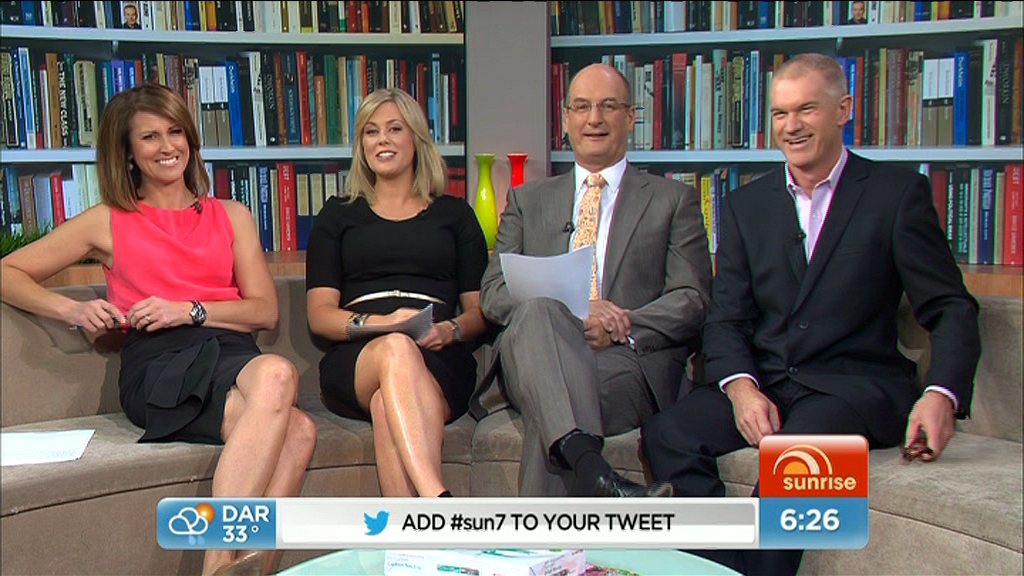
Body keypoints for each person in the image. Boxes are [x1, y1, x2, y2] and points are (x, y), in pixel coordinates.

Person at [641, 53, 980, 575]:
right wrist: (741, 388)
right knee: (669, 432)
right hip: (769, 381)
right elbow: (726, 318)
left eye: (806, 110)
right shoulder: (746, 206)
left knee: (798, 461)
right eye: (780, 113)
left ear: (843, 109)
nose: (791, 126)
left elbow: (950, 305)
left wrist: (942, 394)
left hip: (852, 386)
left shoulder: (895, 195)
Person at [0, 83, 317, 576]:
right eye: (150, 137)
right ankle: (220, 564)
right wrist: (71, 310)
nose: (168, 147)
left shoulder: (231, 215)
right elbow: (8, 271)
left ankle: (236, 569)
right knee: (291, 415)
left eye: (175, 132)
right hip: (160, 363)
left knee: (294, 418)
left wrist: (188, 309)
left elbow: (264, 311)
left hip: (229, 349)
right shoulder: (109, 220)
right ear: (128, 152)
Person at [474, 63, 712, 497]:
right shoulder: (528, 200)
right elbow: (493, 293)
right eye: (581, 107)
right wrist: (575, 313)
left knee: (555, 401)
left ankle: (571, 489)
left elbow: (691, 297)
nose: (594, 119)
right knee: (540, 311)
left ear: (631, 116)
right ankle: (594, 477)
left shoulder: (673, 200)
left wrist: (622, 323)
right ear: (566, 119)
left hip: (622, 359)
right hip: (535, 351)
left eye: (608, 106)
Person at [305, 88, 488, 498]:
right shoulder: (337, 215)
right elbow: (319, 315)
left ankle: (411, 531)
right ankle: (437, 497)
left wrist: (451, 330)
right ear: (361, 145)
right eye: (371, 132)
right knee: (395, 347)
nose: (381, 140)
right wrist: (383, 324)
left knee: (386, 406)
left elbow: (480, 311)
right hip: (359, 356)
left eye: (394, 129)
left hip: (438, 356)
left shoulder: (455, 215)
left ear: (416, 139)